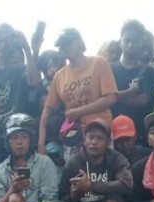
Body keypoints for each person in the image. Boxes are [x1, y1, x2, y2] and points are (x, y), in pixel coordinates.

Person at [38, 28, 118, 158]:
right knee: (74, 175)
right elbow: (47, 111)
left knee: (103, 175)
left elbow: (111, 98)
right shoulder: (59, 76)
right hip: (73, 136)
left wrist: (79, 111)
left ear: (80, 43)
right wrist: (41, 142)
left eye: (69, 43)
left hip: (99, 133)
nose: (64, 47)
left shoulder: (99, 63)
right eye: (61, 45)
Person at [51, 120, 133, 202]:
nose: (94, 142)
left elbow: (127, 185)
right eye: (90, 137)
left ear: (108, 142)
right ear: (84, 140)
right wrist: (74, 196)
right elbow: (62, 198)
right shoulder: (73, 163)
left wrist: (91, 186)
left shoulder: (117, 158)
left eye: (100, 138)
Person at [0, 24, 43, 171]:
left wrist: (27, 48)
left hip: (16, 140)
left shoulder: (20, 69)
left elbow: (35, 80)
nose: (2, 45)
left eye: (6, 41)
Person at [0, 113, 60, 202]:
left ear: (31, 140)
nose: (19, 142)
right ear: (7, 142)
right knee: (14, 199)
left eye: (24, 137)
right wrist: (12, 190)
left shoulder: (45, 163)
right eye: (14, 137)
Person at [110, 20, 154, 145]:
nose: (131, 45)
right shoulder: (109, 69)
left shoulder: (149, 71)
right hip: (113, 133)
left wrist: (115, 97)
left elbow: (143, 101)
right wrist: (130, 92)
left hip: (141, 134)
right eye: (127, 40)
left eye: (135, 41)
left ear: (142, 43)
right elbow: (103, 97)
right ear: (120, 42)